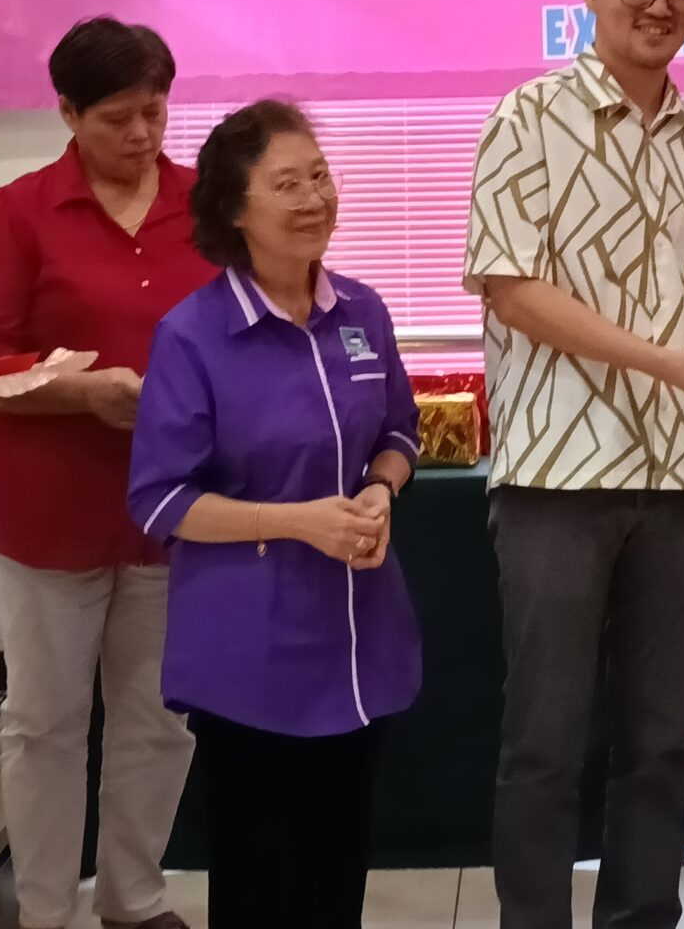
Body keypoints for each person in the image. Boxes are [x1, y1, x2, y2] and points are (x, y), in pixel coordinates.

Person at [464, 0, 684, 929]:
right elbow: (511, 288)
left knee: (656, 744)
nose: (658, 5)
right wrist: (666, 363)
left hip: (681, 482)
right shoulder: (528, 118)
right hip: (557, 479)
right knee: (544, 744)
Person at [127, 101, 421, 929]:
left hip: (354, 634)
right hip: (248, 647)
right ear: (233, 208)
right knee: (259, 880)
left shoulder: (361, 311)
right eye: (287, 184)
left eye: (320, 176)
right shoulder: (193, 335)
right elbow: (161, 499)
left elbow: (399, 432)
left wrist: (382, 489)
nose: (313, 199)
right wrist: (295, 522)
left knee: (336, 870)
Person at [0, 18, 213, 929]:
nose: (142, 135)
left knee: (159, 719)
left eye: (155, 111)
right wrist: (82, 393)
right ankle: (44, 911)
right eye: (117, 119)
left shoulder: (207, 204)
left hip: (176, 511)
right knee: (45, 724)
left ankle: (133, 898)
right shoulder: (18, 212)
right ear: (67, 113)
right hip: (46, 512)